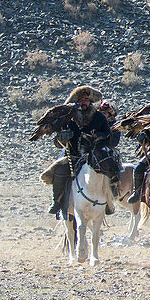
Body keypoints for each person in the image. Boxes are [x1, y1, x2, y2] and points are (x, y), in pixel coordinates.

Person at [48, 85, 114, 219]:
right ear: (76, 102)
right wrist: (62, 137)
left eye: (86, 99)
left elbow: (108, 134)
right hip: (73, 155)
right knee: (60, 172)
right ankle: (57, 202)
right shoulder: (67, 118)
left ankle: (108, 202)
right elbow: (57, 141)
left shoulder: (99, 117)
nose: (84, 102)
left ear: (90, 102)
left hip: (94, 155)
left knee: (111, 169)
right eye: (81, 100)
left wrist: (96, 136)